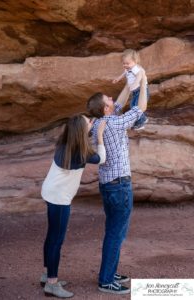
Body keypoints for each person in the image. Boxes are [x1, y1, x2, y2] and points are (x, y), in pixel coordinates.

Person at [87, 73, 147, 295]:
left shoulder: (99, 124)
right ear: (105, 109)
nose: (112, 99)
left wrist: (130, 83)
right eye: (109, 100)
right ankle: (106, 280)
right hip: (119, 185)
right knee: (116, 233)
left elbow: (121, 101)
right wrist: (144, 82)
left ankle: (109, 273)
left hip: (108, 184)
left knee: (114, 230)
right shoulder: (114, 123)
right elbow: (140, 108)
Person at [40, 114, 106, 298]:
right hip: (59, 198)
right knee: (56, 240)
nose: (91, 123)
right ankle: (52, 284)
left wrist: (88, 128)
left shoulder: (67, 142)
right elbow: (101, 158)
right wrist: (99, 134)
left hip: (51, 192)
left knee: (51, 236)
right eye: (88, 122)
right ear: (80, 130)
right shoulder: (80, 151)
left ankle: (47, 275)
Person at [113, 48, 149, 130]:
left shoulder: (135, 68)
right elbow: (124, 73)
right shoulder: (128, 68)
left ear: (135, 61)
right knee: (132, 105)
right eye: (123, 63)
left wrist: (136, 82)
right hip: (135, 91)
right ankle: (141, 119)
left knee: (136, 106)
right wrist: (118, 79)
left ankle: (141, 121)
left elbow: (140, 74)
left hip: (140, 90)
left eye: (127, 63)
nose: (125, 65)